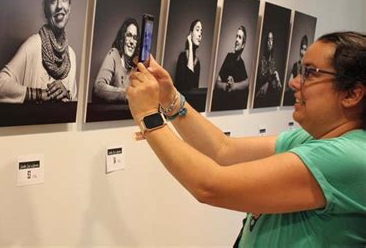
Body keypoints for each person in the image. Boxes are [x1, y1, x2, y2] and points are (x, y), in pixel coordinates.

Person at [127, 31, 366, 246]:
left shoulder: (350, 158)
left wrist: (149, 117)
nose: (294, 82)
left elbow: (210, 186)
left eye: (311, 74)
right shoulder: (311, 138)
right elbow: (223, 149)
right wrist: (170, 98)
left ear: (352, 93)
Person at [0, 0, 77, 103]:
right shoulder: (34, 44)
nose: (59, 6)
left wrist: (65, 95)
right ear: (46, 10)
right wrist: (40, 94)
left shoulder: (71, 57)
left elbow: (74, 107)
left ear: (69, 8)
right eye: (53, 0)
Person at [92, 18, 139, 103]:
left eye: (135, 38)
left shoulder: (136, 66)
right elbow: (98, 88)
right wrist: (127, 94)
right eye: (129, 35)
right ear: (122, 37)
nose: (132, 42)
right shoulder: (114, 54)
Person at [211, 25, 249, 111]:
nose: (236, 40)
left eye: (239, 37)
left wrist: (234, 85)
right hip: (221, 106)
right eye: (236, 36)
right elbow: (217, 83)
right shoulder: (229, 57)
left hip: (232, 108)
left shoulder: (242, 64)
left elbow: (247, 82)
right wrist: (227, 85)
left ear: (243, 45)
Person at [254, 31, 282, 106]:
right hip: (262, 98)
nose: (270, 42)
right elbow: (262, 78)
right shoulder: (262, 59)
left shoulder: (272, 60)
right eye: (268, 40)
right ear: (266, 42)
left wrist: (276, 75)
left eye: (271, 39)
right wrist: (275, 75)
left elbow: (272, 77)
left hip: (271, 99)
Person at [175, 19, 202, 91]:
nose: (200, 34)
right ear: (191, 33)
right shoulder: (182, 57)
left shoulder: (197, 62)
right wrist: (190, 45)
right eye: (197, 30)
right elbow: (186, 86)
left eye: (201, 32)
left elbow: (193, 88)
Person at [284, 35, 309, 105]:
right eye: (302, 49)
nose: (303, 52)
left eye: (305, 49)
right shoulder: (296, 65)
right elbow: (289, 83)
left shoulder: (308, 67)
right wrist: (295, 88)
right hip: (294, 93)